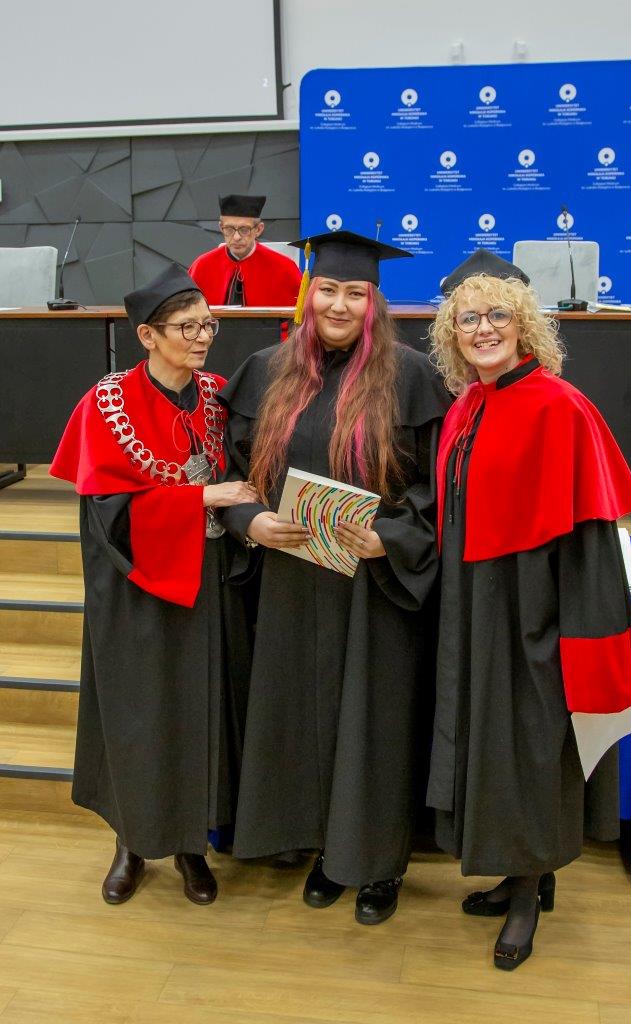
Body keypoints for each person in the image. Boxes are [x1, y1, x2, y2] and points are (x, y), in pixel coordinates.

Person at [427, 249, 631, 969]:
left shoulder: (560, 406)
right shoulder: (468, 405)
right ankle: (517, 873)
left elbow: (588, 540)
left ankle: (529, 892)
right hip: (478, 603)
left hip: (536, 612)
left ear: (525, 325)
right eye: (469, 318)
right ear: (452, 332)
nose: (484, 328)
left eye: (498, 315)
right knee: (492, 743)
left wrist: (560, 630)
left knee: (527, 746)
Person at [217, 230, 451, 924]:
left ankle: (377, 865)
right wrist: (250, 521)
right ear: (307, 294)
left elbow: (438, 489)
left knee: (374, 722)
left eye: (355, 292)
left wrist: (391, 536)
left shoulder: (412, 378)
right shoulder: (265, 369)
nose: (339, 304)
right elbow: (232, 472)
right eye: (328, 289)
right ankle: (318, 847)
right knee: (299, 715)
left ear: (375, 302)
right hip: (289, 579)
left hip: (372, 586)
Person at [50, 264, 257, 905]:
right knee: (138, 714)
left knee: (201, 710)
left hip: (208, 583)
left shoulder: (218, 396)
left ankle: (192, 844)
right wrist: (201, 497)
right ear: (147, 335)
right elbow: (107, 514)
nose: (202, 338)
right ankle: (131, 842)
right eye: (186, 328)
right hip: (135, 588)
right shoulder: (107, 405)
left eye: (207, 325)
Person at [188, 194, 302, 307]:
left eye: (244, 230)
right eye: (229, 229)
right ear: (221, 228)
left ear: (258, 229)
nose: (236, 237)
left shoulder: (284, 268)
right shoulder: (201, 266)